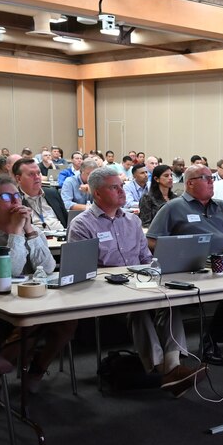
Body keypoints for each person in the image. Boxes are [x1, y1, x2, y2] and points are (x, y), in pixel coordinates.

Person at [68, 167, 202, 395]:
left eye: (122, 186)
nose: (122, 192)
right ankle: (161, 368)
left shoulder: (131, 221)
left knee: (171, 303)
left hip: (140, 282)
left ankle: (173, 366)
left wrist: (156, 273)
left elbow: (146, 259)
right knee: (137, 310)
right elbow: (83, 271)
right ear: (97, 193)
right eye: (115, 187)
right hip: (106, 290)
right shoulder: (82, 224)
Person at [0, 174, 75, 395]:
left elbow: (48, 268)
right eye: (5, 196)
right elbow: (10, 271)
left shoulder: (27, 227)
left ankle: (36, 372)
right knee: (31, 323)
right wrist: (15, 232)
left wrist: (30, 231)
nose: (15, 201)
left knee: (68, 320)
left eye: (16, 195)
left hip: (26, 299)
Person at [146, 164, 223, 365]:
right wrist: (179, 254)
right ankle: (211, 341)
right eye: (205, 178)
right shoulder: (172, 207)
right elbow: (151, 240)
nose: (212, 181)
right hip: (191, 269)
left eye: (211, 177)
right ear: (190, 183)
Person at [14, 157, 67, 232]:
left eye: (38, 173)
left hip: (61, 239)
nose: (37, 177)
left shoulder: (52, 193)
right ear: (18, 179)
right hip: (35, 241)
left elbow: (66, 220)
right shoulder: (15, 200)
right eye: (31, 174)